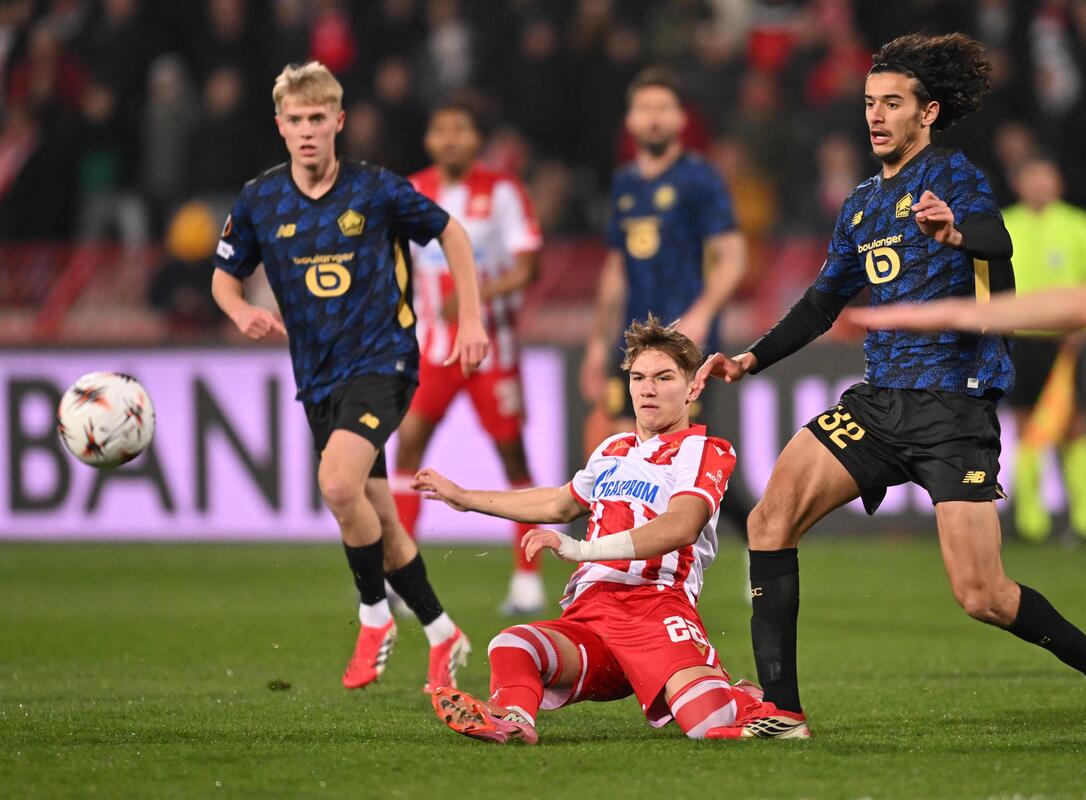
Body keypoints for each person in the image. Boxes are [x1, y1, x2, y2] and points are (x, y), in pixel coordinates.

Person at [696, 34, 1086, 736]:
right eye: (869, 104)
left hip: (953, 404)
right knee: (769, 519)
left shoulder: (954, 176)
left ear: (928, 112)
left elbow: (996, 242)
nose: (876, 116)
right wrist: (749, 359)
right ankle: (782, 710)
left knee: (982, 594)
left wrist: (954, 234)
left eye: (892, 103)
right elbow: (824, 301)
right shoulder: (859, 205)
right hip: (880, 402)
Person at [846, 94, 1086, 662]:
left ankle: (1079, 518)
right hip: (1023, 346)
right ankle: (1039, 519)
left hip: (1047, 340)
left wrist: (941, 313)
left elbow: (1085, 303)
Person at [211, 62, 485, 692]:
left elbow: (453, 234)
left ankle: (373, 617)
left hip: (384, 362)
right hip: (318, 379)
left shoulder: (375, 190)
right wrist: (241, 311)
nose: (307, 131)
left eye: (317, 119)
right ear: (280, 126)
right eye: (295, 120)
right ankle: (443, 633)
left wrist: (471, 319)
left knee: (338, 486)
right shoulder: (260, 200)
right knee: (379, 519)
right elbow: (224, 276)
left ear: (338, 122)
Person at [413, 317, 809, 743]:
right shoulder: (613, 449)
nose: (647, 389)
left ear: (693, 388)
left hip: (657, 608)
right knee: (511, 644)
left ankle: (745, 698)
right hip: (591, 615)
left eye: (663, 377)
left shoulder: (704, 450)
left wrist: (582, 550)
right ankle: (513, 719)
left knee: (707, 726)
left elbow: (681, 526)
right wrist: (465, 497)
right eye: (639, 377)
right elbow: (557, 503)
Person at [389, 100, 546, 615]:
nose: (451, 138)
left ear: (477, 139)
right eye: (441, 130)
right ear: (430, 140)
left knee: (512, 456)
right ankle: (400, 576)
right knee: (407, 449)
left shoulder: (501, 190)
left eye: (461, 129)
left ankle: (527, 580)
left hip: (492, 350)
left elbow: (528, 267)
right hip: (433, 350)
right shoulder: (411, 190)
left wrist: (479, 293)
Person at [579, 67, 745, 448]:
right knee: (620, 448)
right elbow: (617, 266)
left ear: (681, 119)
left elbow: (733, 257)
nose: (654, 117)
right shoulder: (624, 183)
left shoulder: (700, 179)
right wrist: (596, 342)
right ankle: (736, 508)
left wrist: (702, 316)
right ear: (630, 119)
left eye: (663, 108)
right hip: (633, 340)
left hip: (684, 341)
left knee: (676, 451)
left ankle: (737, 509)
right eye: (645, 108)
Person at [1003, 157, 1086, 543]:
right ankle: (1031, 522)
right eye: (1032, 178)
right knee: (1025, 424)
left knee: (1073, 423)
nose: (1039, 186)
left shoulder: (1080, 227)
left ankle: (1085, 520)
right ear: (1020, 184)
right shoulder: (1005, 225)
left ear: (1058, 182)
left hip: (1064, 342)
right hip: (1021, 339)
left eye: (1045, 177)